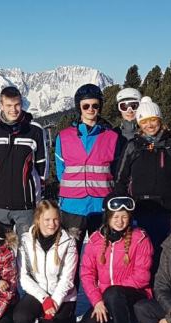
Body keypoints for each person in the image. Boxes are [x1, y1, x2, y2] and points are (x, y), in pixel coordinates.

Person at [74, 195, 154, 323]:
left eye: (124, 216)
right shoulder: (96, 240)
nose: (120, 221)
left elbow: (142, 276)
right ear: (107, 217)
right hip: (105, 300)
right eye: (115, 216)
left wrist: (111, 295)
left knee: (114, 293)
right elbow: (87, 273)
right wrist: (97, 301)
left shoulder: (140, 238)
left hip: (134, 297)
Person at [114, 96, 171, 275]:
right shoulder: (133, 146)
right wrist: (123, 207)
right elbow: (121, 178)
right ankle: (142, 292)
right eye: (144, 121)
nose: (150, 125)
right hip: (139, 209)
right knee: (140, 252)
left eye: (153, 120)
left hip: (165, 208)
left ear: (159, 120)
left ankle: (163, 292)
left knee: (163, 252)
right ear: (139, 124)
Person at [55, 84, 124, 242]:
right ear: (79, 107)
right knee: (70, 253)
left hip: (100, 203)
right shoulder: (63, 137)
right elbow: (61, 172)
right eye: (86, 105)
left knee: (101, 252)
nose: (90, 109)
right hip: (72, 205)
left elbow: (116, 171)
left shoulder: (111, 137)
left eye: (95, 105)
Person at [0, 86, 48, 236]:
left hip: (26, 205)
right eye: (9, 105)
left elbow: (42, 166)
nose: (13, 110)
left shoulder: (35, 130)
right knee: (0, 250)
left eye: (17, 105)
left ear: (22, 104)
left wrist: (38, 197)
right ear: (1, 105)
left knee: (27, 249)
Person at [12, 200, 78, 323]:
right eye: (47, 219)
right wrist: (44, 299)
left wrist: (54, 302)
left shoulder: (69, 240)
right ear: (38, 219)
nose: (52, 224)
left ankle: (57, 321)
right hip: (38, 292)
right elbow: (23, 276)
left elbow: (68, 278)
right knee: (21, 317)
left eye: (55, 219)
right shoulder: (26, 240)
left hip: (63, 294)